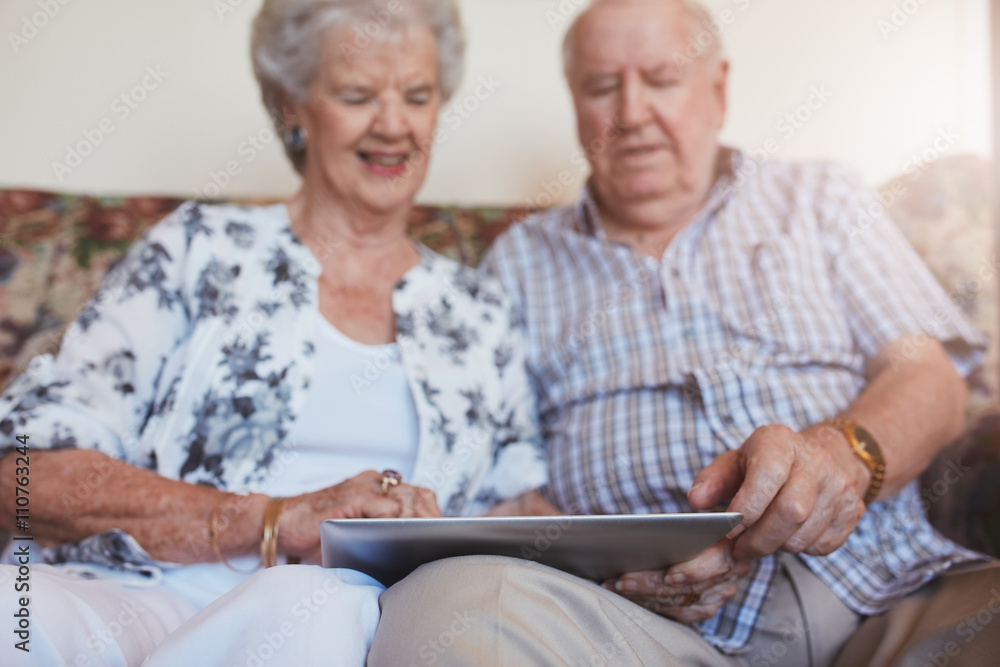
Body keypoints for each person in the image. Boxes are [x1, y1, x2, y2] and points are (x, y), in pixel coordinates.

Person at [366, 1, 1000, 665]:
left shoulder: (822, 199)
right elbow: (494, 460)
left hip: (884, 594)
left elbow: (927, 374)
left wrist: (843, 454)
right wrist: (597, 551)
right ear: (576, 103)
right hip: (633, 627)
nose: (633, 112)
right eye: (603, 86)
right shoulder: (517, 262)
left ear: (718, 89)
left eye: (662, 79)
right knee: (443, 605)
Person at [0, 1, 551, 664]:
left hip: (339, 611)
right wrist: (272, 519)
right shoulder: (199, 249)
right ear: (293, 105)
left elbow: (516, 513)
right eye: (356, 94)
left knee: (308, 610)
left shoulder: (478, 310)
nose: (394, 124)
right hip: (137, 591)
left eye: (418, 94)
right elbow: (24, 472)